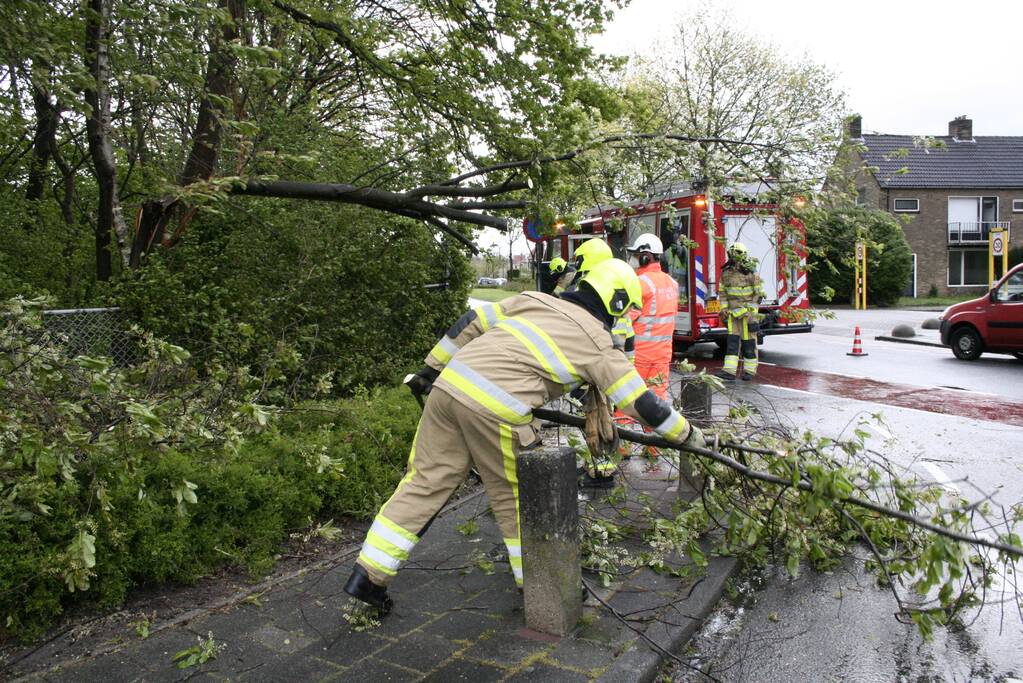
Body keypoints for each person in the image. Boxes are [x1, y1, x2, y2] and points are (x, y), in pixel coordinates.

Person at [343, 258, 707, 613]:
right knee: (518, 498)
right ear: (615, 304)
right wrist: (688, 434)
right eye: (625, 311)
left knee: (423, 481)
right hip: (494, 410)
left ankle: (368, 576)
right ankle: (540, 583)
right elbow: (642, 404)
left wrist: (428, 370)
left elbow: (470, 322)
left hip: (448, 389)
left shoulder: (535, 299)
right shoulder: (598, 343)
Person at [626, 234, 679, 402]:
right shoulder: (672, 283)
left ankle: (623, 428)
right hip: (663, 354)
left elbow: (626, 320)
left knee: (630, 400)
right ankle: (654, 429)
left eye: (635, 255)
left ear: (644, 257)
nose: (632, 259)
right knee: (657, 403)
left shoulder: (639, 283)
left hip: (640, 355)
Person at [716, 242, 764, 381]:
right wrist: (723, 309)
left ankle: (749, 371)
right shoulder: (726, 273)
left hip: (747, 315)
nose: (732, 257)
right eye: (731, 254)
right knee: (732, 343)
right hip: (732, 315)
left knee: (749, 343)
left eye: (735, 254)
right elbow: (723, 293)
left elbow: (758, 294)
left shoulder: (751, 273)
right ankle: (729, 371)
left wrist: (752, 313)